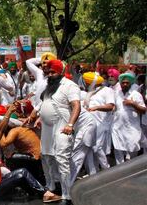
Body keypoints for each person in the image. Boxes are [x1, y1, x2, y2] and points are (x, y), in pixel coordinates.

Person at [34, 59, 81, 204]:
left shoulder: (69, 86)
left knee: (61, 159)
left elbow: (76, 106)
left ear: (60, 72)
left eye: (52, 72)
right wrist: (32, 116)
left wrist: (70, 124)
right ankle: (51, 187)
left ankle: (67, 195)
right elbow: (43, 103)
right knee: (46, 158)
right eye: (47, 72)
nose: (49, 75)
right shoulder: (49, 86)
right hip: (47, 128)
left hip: (62, 126)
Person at [82, 72, 115, 174]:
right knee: (89, 148)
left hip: (101, 124)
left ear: (92, 83)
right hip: (89, 124)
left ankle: (106, 169)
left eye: (87, 83)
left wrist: (96, 108)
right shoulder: (90, 92)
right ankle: (93, 173)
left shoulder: (107, 90)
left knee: (97, 147)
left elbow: (110, 106)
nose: (86, 85)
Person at [111, 73, 146, 164]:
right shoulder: (116, 94)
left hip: (131, 128)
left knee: (133, 148)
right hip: (117, 127)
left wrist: (133, 104)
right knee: (118, 149)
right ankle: (119, 170)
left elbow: (143, 110)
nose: (125, 84)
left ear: (130, 83)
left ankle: (131, 170)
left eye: (127, 82)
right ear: (120, 83)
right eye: (123, 83)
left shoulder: (136, 94)